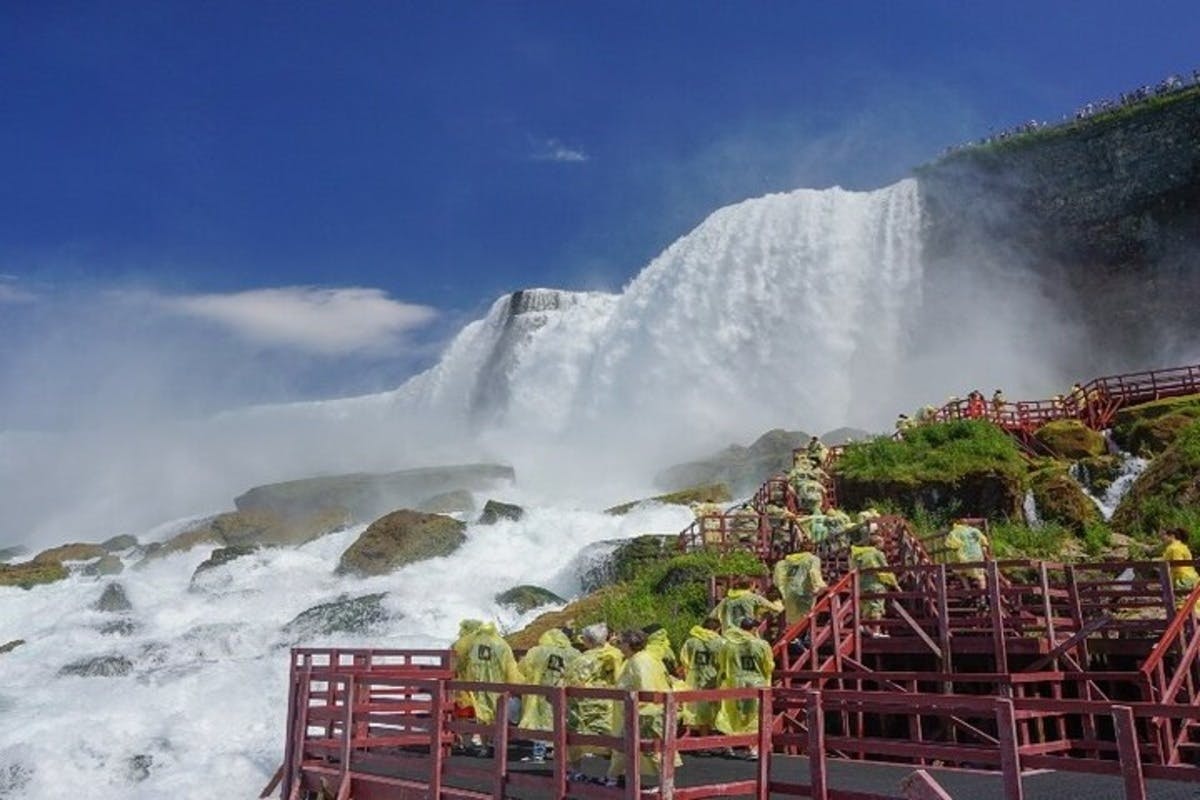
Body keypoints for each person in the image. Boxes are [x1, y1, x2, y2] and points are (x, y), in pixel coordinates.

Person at [605, 629, 677, 788]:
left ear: (629, 644)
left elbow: (646, 688)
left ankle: (666, 784)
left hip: (644, 713)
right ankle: (613, 777)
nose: (619, 645)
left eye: (621, 642)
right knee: (625, 747)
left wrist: (638, 709)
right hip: (642, 711)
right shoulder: (644, 658)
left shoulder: (638, 662)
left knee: (651, 750)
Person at [564, 623, 623, 782]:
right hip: (611, 706)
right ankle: (614, 775)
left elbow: (571, 682)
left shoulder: (582, 660)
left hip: (585, 707)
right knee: (615, 740)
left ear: (587, 640)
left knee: (575, 738)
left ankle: (576, 772)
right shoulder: (617, 655)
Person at [458, 620, 523, 754]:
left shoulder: (470, 643)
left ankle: (481, 746)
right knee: (495, 715)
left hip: (474, 685)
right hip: (497, 686)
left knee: (478, 715)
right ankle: (496, 746)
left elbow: (458, 661)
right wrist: (517, 685)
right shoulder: (501, 644)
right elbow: (510, 668)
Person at [713, 617, 773, 759]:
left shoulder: (728, 644)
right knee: (753, 716)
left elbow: (721, 662)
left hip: (734, 681)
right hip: (755, 682)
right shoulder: (761, 644)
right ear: (753, 629)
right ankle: (752, 748)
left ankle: (728, 745)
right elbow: (768, 665)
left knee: (731, 714)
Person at [517, 628, 580, 763]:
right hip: (563, 692)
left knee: (540, 721)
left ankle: (539, 754)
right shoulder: (573, 653)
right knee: (561, 719)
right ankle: (558, 751)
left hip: (541, 692)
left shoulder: (538, 651)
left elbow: (523, 668)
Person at [678, 618, 725, 738]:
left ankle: (704, 740)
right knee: (718, 709)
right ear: (718, 628)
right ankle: (721, 741)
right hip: (714, 678)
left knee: (700, 711)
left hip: (696, 678)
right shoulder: (721, 642)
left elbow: (684, 660)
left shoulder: (691, 641)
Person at [850, 536, 899, 637]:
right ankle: (875, 631)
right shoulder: (877, 553)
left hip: (861, 584)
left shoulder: (859, 554)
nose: (883, 545)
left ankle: (863, 626)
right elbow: (885, 568)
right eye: (882, 543)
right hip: (875, 584)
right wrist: (895, 583)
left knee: (866, 607)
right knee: (877, 607)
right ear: (877, 544)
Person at [773, 544, 827, 627]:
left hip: (789, 591)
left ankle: (794, 637)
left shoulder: (786, 561)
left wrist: (781, 589)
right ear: (813, 550)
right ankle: (804, 637)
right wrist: (820, 586)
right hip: (804, 591)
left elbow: (778, 576)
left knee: (792, 617)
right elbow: (813, 572)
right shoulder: (812, 559)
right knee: (806, 617)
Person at [710, 579, 783, 634]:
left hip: (728, 635)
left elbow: (712, 616)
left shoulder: (726, 600)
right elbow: (777, 609)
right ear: (751, 585)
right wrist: (778, 600)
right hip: (746, 634)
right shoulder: (753, 597)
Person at [944, 522, 990, 592]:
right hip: (977, 555)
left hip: (964, 557)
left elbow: (952, 545)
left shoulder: (955, 532)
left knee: (960, 573)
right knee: (980, 575)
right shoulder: (975, 530)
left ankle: (967, 589)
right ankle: (983, 596)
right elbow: (984, 542)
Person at [1162, 528, 1200, 607]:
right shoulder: (1183, 546)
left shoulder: (1174, 548)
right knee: (1192, 602)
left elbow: (1178, 565)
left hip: (1182, 579)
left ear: (1172, 536)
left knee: (1182, 603)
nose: (1162, 538)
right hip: (1191, 576)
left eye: (1164, 535)